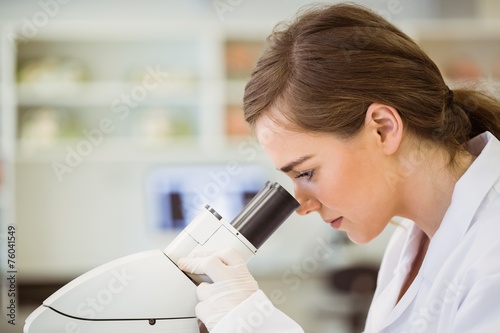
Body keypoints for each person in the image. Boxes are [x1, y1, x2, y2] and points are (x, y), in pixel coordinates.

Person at [179, 3, 500, 332]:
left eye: (306, 173)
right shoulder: (409, 243)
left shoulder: (492, 254)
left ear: (383, 129)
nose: (302, 206)